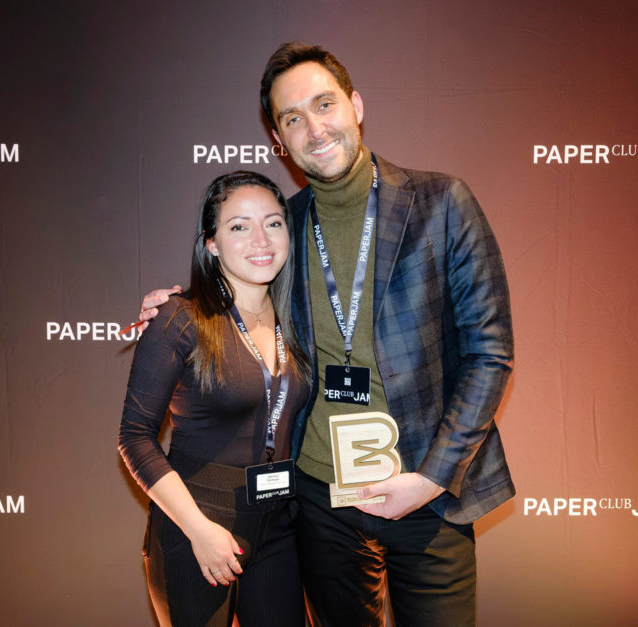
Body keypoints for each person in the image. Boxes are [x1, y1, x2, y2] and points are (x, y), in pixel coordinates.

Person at [139, 43, 514, 627]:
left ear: (355, 105)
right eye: (293, 118)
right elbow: (238, 285)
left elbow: (490, 354)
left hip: (426, 491)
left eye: (324, 104)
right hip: (319, 500)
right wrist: (177, 305)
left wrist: (431, 479)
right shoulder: (283, 226)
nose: (314, 128)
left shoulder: (442, 203)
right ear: (279, 141)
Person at [119, 171, 310, 627]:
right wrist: (198, 529)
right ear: (211, 243)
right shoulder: (180, 317)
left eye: (273, 223)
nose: (260, 239)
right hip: (197, 524)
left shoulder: (298, 318)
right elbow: (135, 436)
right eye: (239, 226)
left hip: (278, 523)